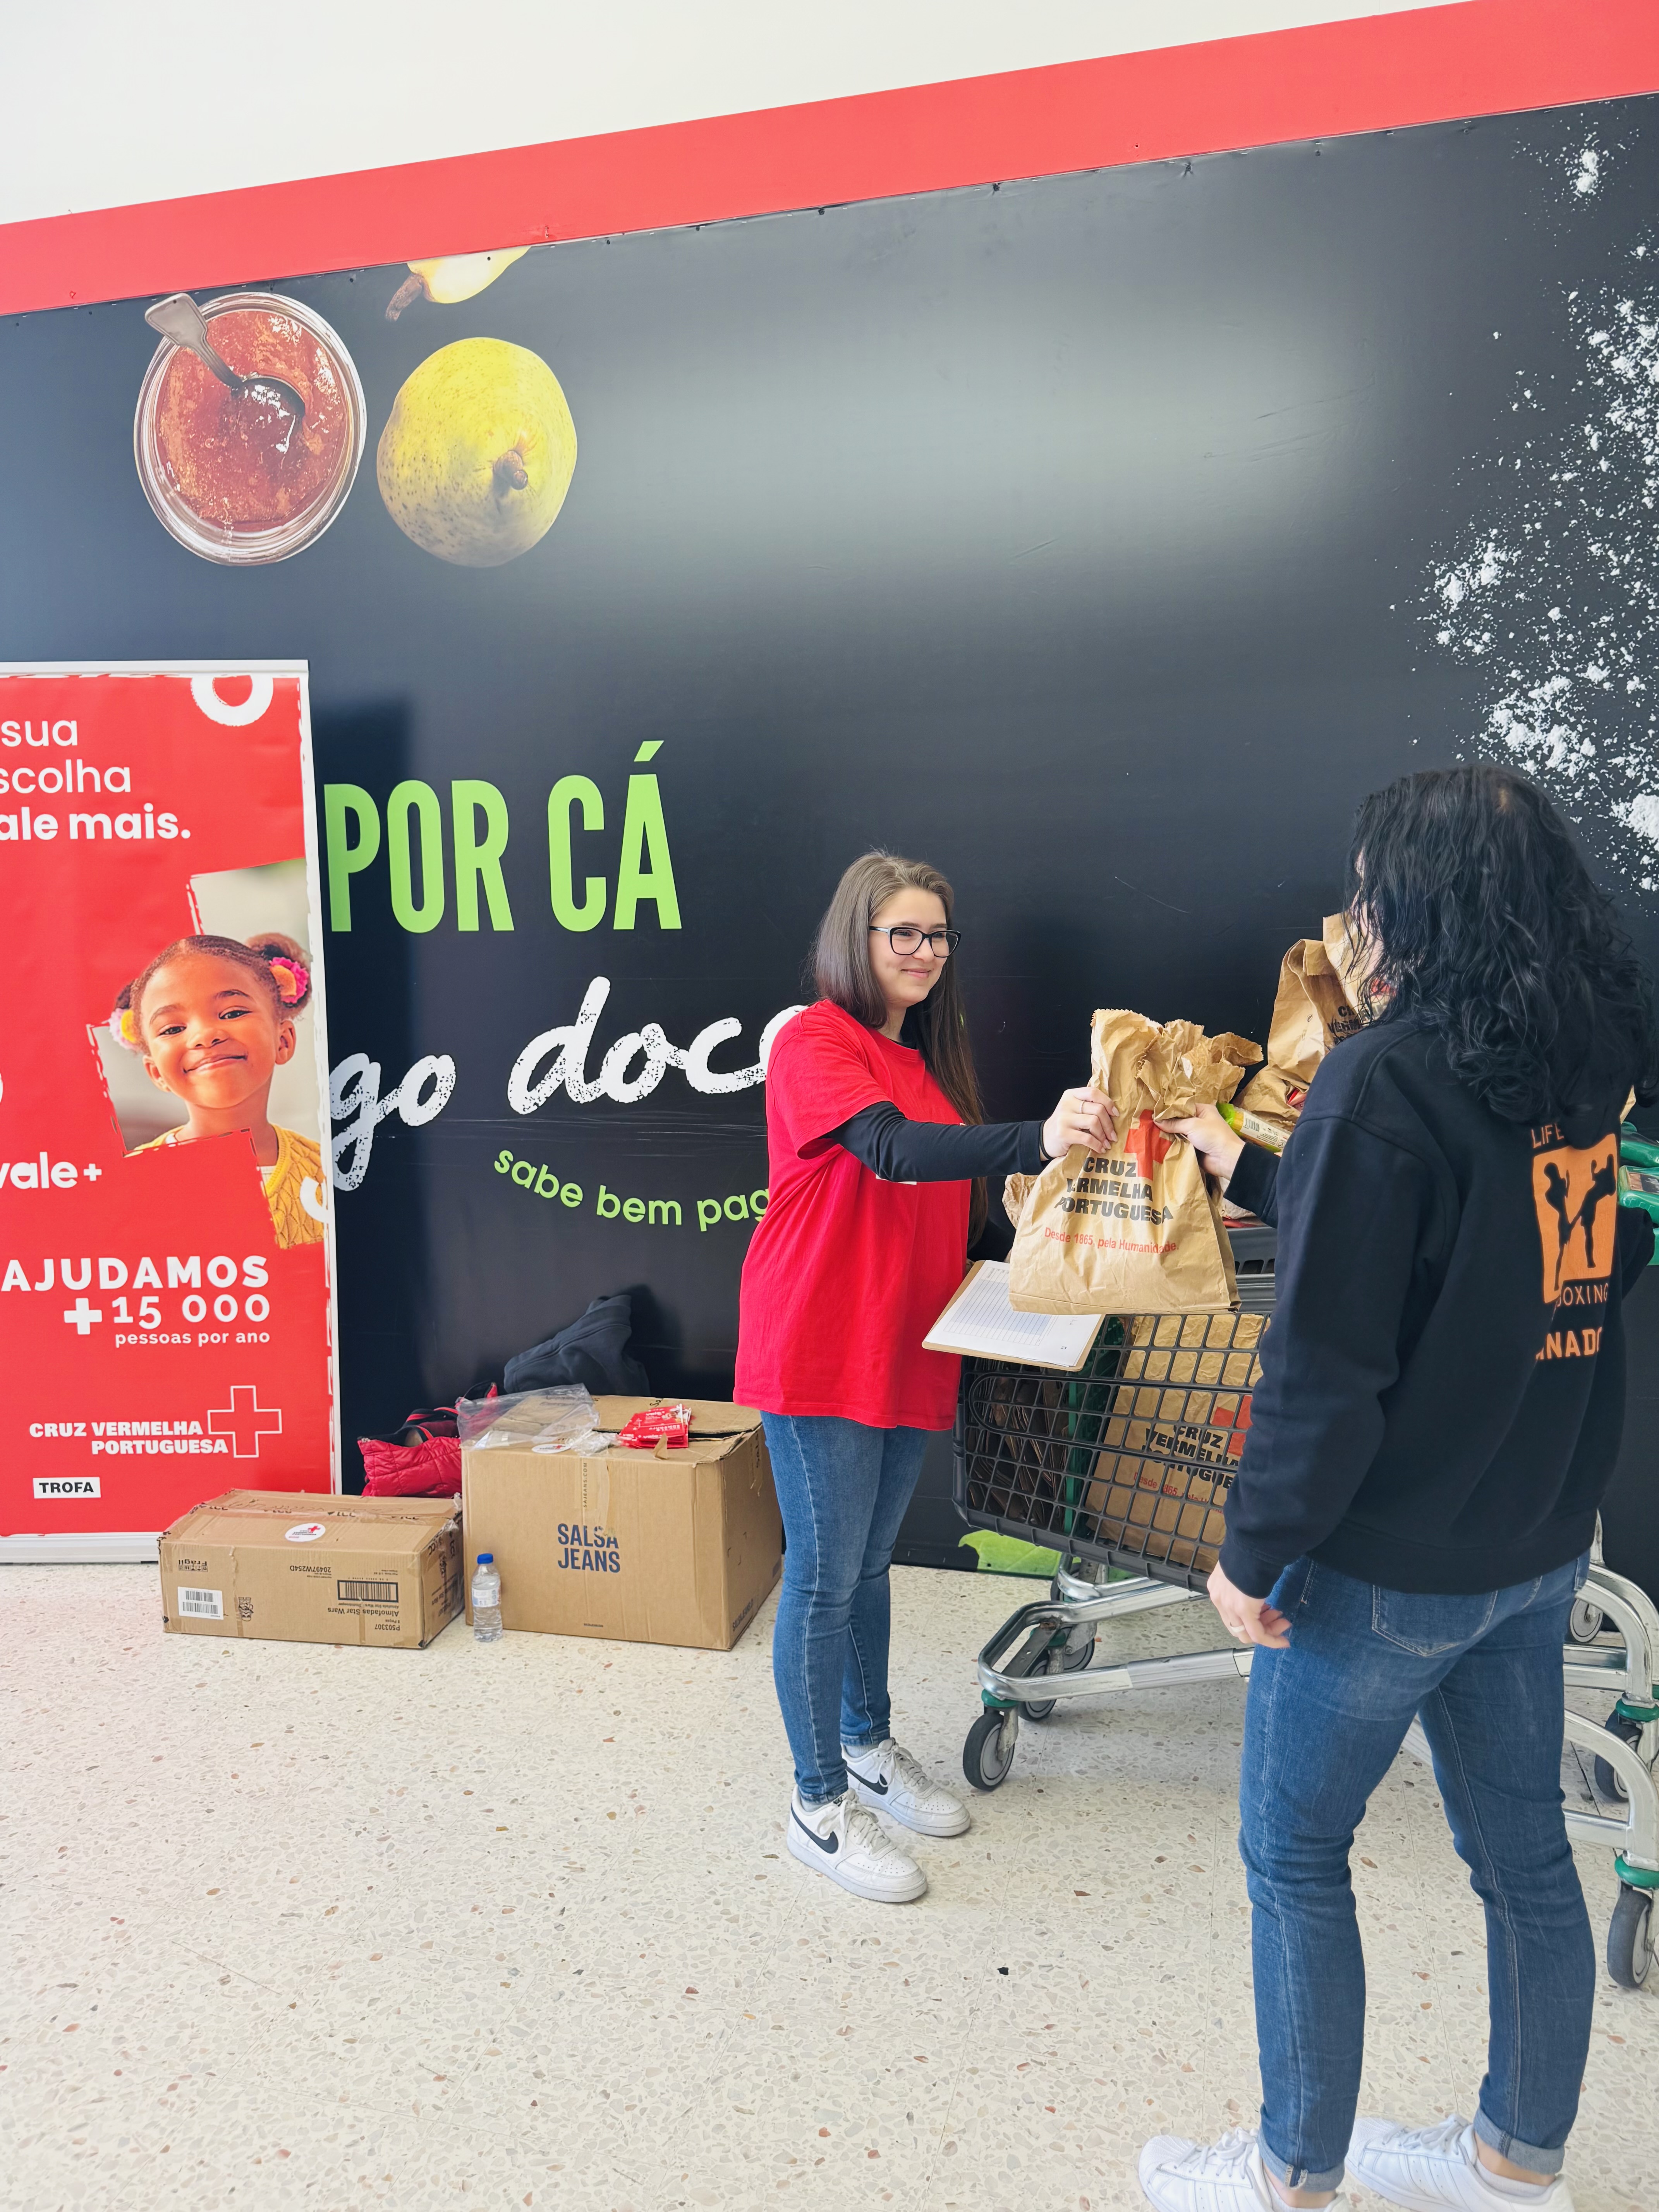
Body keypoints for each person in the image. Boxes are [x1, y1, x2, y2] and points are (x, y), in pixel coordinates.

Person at [1135, 766, 1659, 2212]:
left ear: (1419, 905)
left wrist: (1248, 1554)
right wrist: (1246, 1159)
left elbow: (1326, 1366)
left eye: (1370, 891)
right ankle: (1514, 2162)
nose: (1353, 917)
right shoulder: (1592, 1059)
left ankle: (1290, 2172)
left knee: (1294, 1854)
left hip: (1380, 1571)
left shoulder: (1382, 1079)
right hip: (1535, 1540)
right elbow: (1498, 1246)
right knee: (1527, 1863)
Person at [736, 851, 1115, 1903]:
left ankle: (867, 1746)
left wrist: (1073, 1226)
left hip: (908, 1345)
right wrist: (1037, 1139)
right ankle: (816, 1808)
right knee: (823, 1578)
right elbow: (893, 1154)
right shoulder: (815, 1040)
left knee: (867, 1568)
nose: (923, 951)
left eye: (937, 935)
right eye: (901, 932)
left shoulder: (930, 1069)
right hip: (820, 1340)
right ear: (854, 938)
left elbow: (961, 1212)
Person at [112, 932, 325, 1250]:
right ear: (157, 1073)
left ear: (283, 1041)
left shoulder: (330, 1173)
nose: (205, 1035)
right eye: (173, 1029)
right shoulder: (128, 1189)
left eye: (233, 1013)